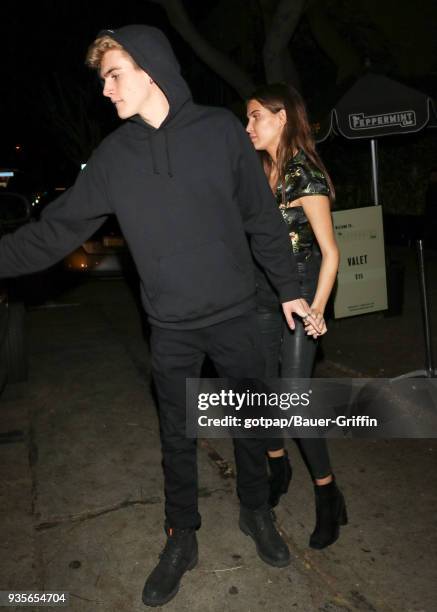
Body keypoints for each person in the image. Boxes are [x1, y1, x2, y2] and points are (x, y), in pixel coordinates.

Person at [0, 27, 323, 607]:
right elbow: (56, 229)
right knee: (177, 434)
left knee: (251, 425)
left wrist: (290, 289)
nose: (106, 90)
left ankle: (257, 513)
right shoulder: (114, 157)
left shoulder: (220, 132)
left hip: (236, 314)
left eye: (113, 75)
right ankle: (183, 536)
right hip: (170, 326)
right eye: (103, 79)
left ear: (149, 70)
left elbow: (260, 218)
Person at [246, 83, 347, 549]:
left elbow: (330, 252)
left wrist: (318, 312)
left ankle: (329, 496)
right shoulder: (259, 171)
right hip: (261, 295)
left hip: (302, 292)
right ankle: (277, 464)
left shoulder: (305, 174)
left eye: (255, 117)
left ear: (281, 117)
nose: (249, 127)